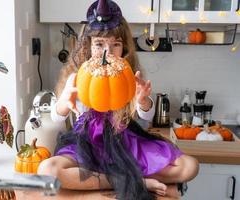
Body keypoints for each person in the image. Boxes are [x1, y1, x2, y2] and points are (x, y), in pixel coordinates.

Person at [38, 0, 199, 199]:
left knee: (190, 166)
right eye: (99, 44)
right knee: (48, 170)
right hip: (87, 144)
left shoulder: (127, 75)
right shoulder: (77, 76)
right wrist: (64, 102)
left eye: (115, 44)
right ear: (88, 45)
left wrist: (142, 100)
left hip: (124, 139)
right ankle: (129, 179)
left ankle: (119, 175)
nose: (107, 52)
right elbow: (56, 117)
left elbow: (145, 116)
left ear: (124, 48)